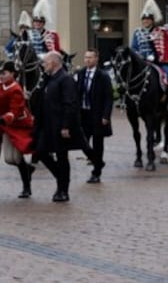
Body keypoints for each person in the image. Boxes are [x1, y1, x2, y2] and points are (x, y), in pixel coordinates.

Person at [33, 51, 87, 202]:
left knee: (62, 157)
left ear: (54, 62)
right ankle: (61, 177)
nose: (43, 65)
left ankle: (63, 190)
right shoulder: (49, 79)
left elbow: (70, 104)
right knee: (40, 152)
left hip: (60, 125)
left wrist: (65, 126)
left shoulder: (65, 79)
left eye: (45, 62)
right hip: (47, 124)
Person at [0, 61, 35, 198]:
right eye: (0, 73)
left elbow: (15, 111)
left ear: (12, 74)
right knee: (9, 159)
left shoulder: (16, 89)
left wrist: (3, 118)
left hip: (19, 125)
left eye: (4, 73)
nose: (1, 76)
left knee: (16, 157)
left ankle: (27, 187)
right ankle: (28, 169)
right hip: (7, 125)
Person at [76, 49, 113, 184]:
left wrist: (106, 116)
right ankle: (98, 161)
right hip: (84, 114)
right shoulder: (80, 74)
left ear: (96, 59)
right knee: (82, 141)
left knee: (98, 144)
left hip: (97, 115)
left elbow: (109, 98)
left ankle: (96, 172)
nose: (87, 60)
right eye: (86, 57)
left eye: (90, 58)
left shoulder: (103, 76)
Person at [130, 0, 168, 108]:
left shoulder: (160, 31)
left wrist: (157, 57)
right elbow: (134, 48)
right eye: (144, 19)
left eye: (148, 19)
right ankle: (127, 101)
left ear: (152, 21)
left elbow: (166, 47)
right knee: (127, 77)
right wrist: (139, 57)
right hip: (142, 62)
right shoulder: (137, 32)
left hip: (158, 62)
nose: (145, 21)